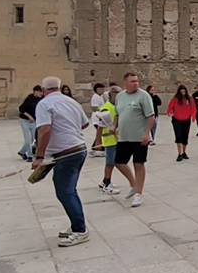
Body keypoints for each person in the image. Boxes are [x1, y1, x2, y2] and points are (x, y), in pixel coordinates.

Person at [32, 76, 91, 247]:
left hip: (66, 153)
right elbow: (84, 124)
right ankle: (76, 225)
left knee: (65, 191)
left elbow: (45, 130)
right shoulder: (71, 102)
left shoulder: (44, 104)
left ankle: (80, 230)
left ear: (44, 90)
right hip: (78, 149)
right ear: (59, 87)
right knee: (68, 190)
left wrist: (40, 156)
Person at [114, 72, 156, 208]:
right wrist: (114, 127)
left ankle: (139, 193)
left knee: (139, 163)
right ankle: (133, 184)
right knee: (119, 163)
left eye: (137, 81)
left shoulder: (144, 96)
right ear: (125, 83)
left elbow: (151, 116)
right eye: (132, 81)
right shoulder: (120, 97)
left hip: (139, 137)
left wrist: (147, 134)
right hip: (124, 137)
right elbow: (117, 113)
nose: (136, 83)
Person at [94, 85, 132, 194]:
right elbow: (100, 126)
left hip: (116, 139)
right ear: (111, 94)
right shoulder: (107, 108)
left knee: (111, 162)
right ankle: (107, 183)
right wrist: (98, 142)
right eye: (117, 94)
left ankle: (104, 181)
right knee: (111, 162)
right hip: (110, 139)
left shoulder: (116, 106)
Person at [168, 85, 196, 161]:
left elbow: (193, 108)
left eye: (184, 91)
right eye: (181, 91)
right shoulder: (175, 99)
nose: (183, 92)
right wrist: (170, 113)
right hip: (177, 120)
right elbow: (170, 107)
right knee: (178, 136)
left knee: (185, 136)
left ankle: (184, 152)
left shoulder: (189, 99)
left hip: (186, 120)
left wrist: (193, 117)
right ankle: (179, 153)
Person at [17, 85, 43, 162]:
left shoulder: (41, 99)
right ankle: (30, 156)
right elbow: (21, 109)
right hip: (24, 121)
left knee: (32, 139)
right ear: (35, 91)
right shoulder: (29, 98)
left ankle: (22, 152)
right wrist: (29, 117)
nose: (41, 93)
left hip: (34, 122)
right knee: (27, 139)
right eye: (40, 92)